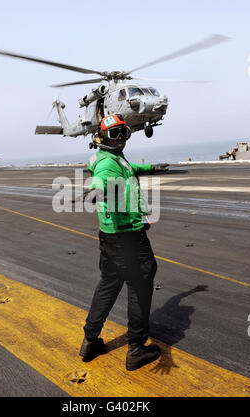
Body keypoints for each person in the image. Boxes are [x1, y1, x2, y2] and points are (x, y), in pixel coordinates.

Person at [79, 114, 162, 371]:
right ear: (102, 138)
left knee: (109, 283)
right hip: (128, 236)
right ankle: (136, 349)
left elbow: (125, 169)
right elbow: (100, 178)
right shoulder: (107, 164)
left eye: (124, 133)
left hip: (111, 236)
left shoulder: (113, 157)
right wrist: (94, 189)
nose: (121, 140)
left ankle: (90, 340)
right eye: (115, 135)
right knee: (140, 282)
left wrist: (149, 168)